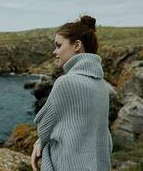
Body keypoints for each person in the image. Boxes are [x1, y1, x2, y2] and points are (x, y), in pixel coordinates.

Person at [31, 15, 113, 171]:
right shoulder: (102, 85)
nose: (55, 52)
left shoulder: (65, 83)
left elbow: (44, 127)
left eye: (58, 45)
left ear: (76, 45)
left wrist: (39, 143)